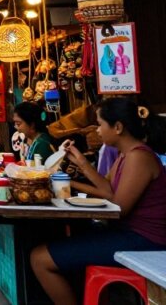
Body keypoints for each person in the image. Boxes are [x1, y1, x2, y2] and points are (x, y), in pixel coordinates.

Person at [30, 98, 166, 304]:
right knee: (65, 244)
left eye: (100, 124)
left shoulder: (139, 157)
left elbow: (118, 207)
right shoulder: (125, 155)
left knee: (40, 259)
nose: (97, 130)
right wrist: (74, 171)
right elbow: (106, 189)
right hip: (128, 233)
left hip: (145, 240)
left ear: (118, 127)